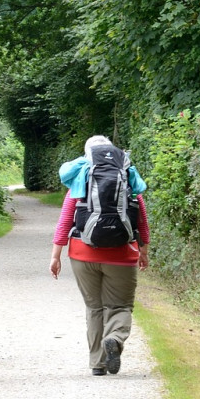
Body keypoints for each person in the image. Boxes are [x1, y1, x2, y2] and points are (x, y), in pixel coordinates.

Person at [50, 135, 150, 376]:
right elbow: (141, 218)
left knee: (94, 307)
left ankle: (98, 363)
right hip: (122, 254)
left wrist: (56, 255)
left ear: (87, 156)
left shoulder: (80, 178)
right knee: (120, 305)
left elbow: (65, 221)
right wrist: (144, 250)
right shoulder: (127, 176)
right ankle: (115, 338)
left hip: (83, 253)